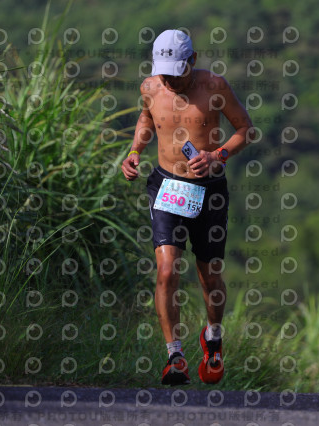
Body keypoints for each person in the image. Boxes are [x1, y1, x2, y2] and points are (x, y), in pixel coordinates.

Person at [121, 29, 255, 386]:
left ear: (192, 61)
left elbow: (245, 129)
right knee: (167, 271)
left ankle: (213, 337)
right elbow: (147, 120)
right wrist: (134, 152)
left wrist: (217, 155)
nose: (170, 81)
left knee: (209, 275)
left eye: (176, 74)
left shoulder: (214, 86)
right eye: (164, 74)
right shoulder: (151, 87)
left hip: (208, 189)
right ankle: (174, 356)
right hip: (166, 185)